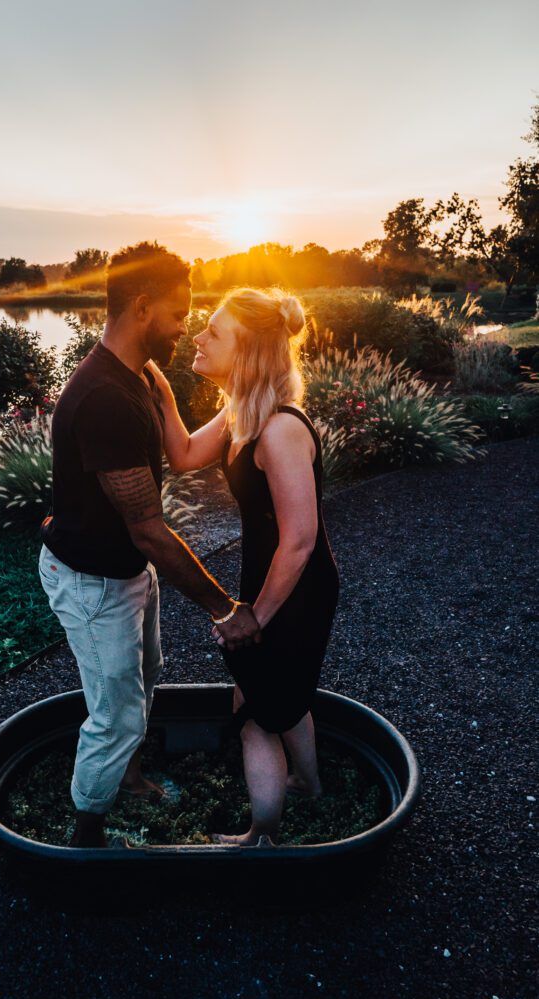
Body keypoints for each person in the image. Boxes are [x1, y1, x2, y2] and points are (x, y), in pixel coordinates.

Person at [38, 242, 261, 849]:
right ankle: (85, 840)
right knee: (116, 715)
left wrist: (248, 394)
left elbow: (184, 454)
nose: (185, 325)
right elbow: (147, 528)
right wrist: (224, 607)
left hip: (126, 570)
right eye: (179, 312)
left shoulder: (143, 372)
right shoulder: (105, 398)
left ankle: (130, 779)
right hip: (92, 582)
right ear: (142, 307)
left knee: (146, 676)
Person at [150, 286, 340, 846]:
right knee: (286, 693)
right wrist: (161, 389)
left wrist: (254, 616)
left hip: (294, 589)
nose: (200, 338)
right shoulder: (240, 415)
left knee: (256, 712)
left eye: (215, 332)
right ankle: (310, 785)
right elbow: (182, 454)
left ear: (249, 351)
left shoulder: (280, 430)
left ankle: (263, 834)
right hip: (268, 584)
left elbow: (300, 541)